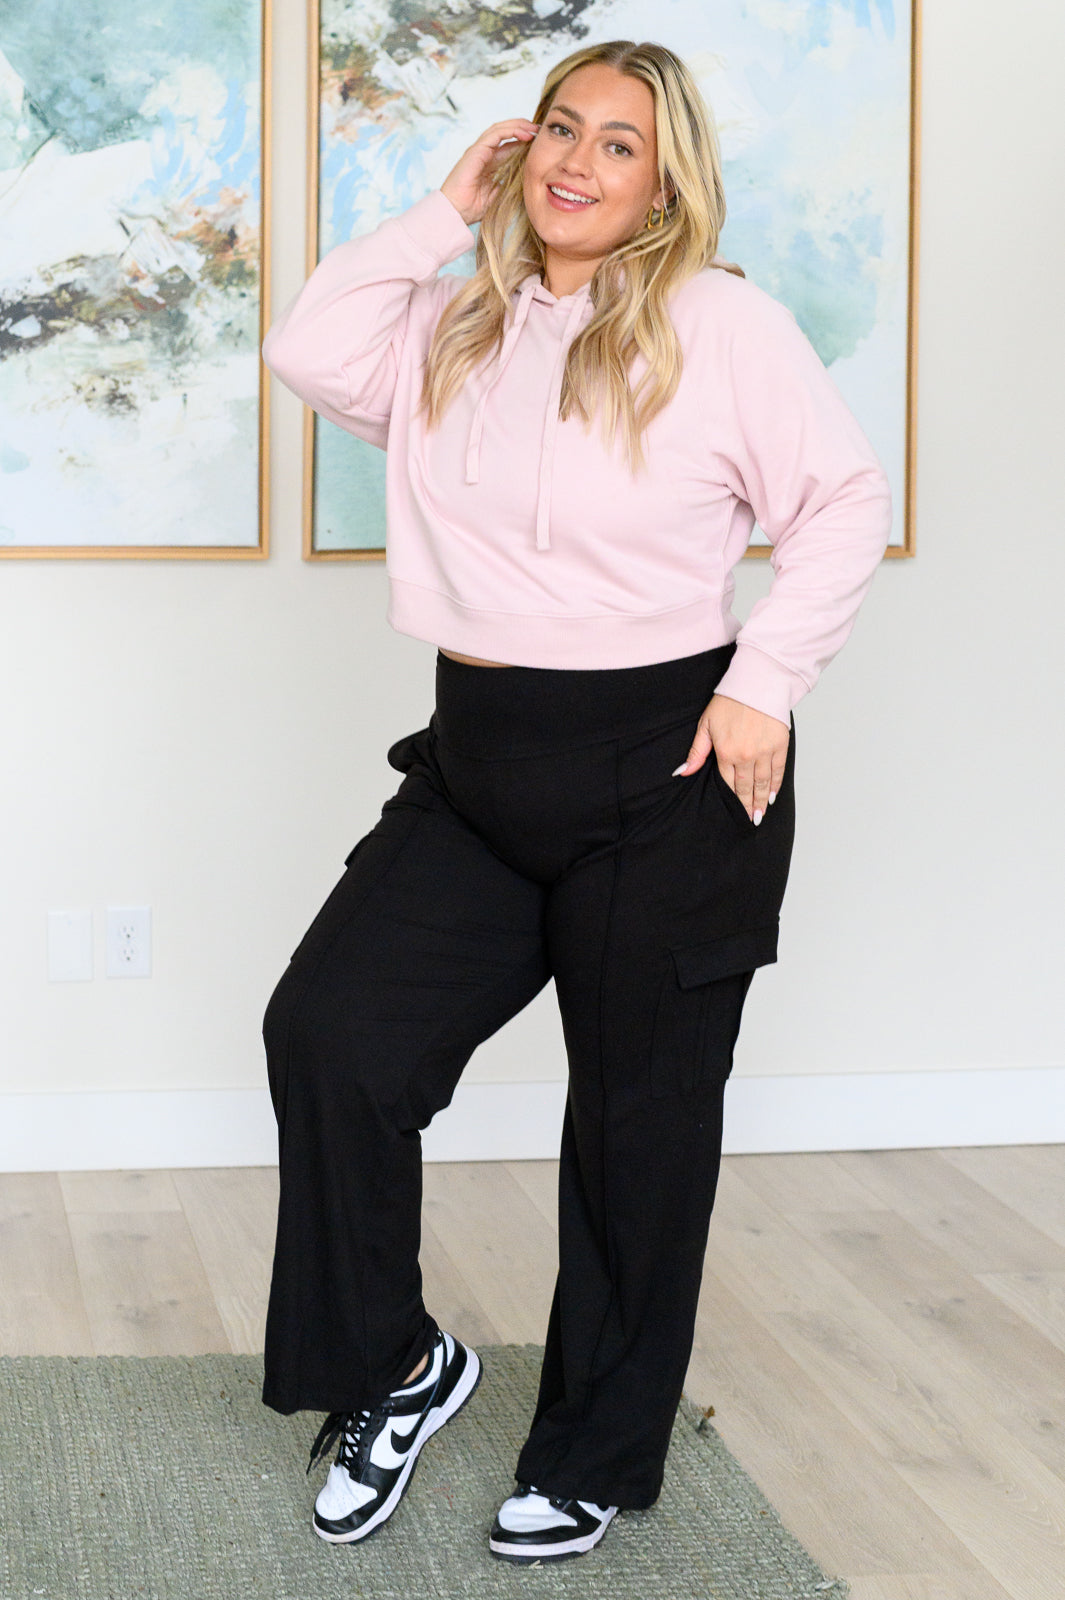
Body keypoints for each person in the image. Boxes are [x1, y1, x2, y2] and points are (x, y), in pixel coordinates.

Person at [258, 37, 892, 1565]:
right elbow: (307, 348)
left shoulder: (719, 324)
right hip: (478, 760)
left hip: (666, 769)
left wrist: (761, 683)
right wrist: (440, 212)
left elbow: (839, 502)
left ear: (664, 182)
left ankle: (592, 1452)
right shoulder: (456, 321)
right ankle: (396, 1366)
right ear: (517, 148)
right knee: (332, 1036)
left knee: (636, 1130)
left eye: (619, 142)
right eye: (558, 127)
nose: (577, 161)